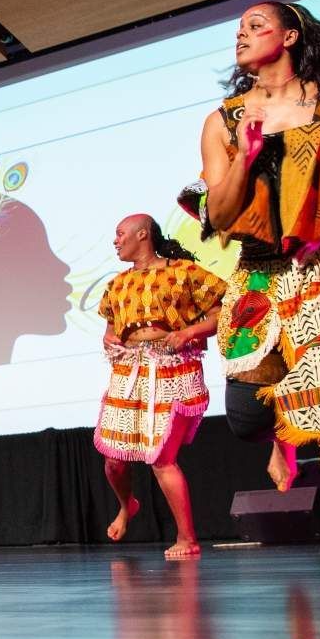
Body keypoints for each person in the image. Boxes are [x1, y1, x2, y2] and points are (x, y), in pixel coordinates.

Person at [185, 0, 320, 573]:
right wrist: (244, 159)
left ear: (290, 34)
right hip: (258, 275)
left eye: (256, 25)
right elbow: (223, 215)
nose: (243, 35)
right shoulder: (223, 120)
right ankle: (284, 434)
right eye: (238, 29)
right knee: (247, 419)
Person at [93, 215, 224, 559]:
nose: (115, 240)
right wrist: (110, 341)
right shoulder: (117, 284)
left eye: (119, 233)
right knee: (114, 462)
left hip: (171, 369)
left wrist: (189, 333)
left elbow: (221, 312)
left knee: (162, 458)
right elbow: (109, 328)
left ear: (142, 234)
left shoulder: (184, 272)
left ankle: (187, 538)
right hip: (129, 371)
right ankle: (127, 505)